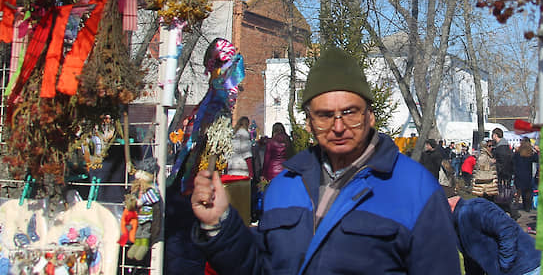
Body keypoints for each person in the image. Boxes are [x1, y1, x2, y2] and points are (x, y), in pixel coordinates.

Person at [189, 47, 461, 274]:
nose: (339, 126)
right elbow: (260, 268)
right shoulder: (285, 186)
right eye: (324, 115)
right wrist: (219, 224)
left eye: (350, 112)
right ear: (308, 122)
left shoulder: (415, 189)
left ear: (370, 116)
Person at [447, 195, 542, 275]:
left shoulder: (474, 208)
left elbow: (507, 231)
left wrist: (504, 266)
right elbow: (472, 262)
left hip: (526, 267)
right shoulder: (457, 225)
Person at [513, 140, 538, 212]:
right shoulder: (530, 154)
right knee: (528, 192)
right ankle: (527, 207)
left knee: (519, 191)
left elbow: (513, 161)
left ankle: (517, 206)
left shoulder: (517, 153)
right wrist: (535, 151)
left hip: (519, 174)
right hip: (527, 175)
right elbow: (537, 159)